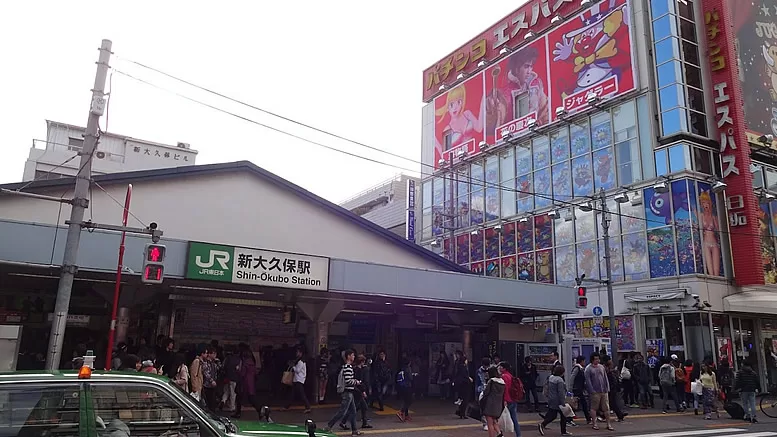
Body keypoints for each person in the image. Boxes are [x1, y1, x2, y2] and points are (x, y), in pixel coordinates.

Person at [324, 349, 361, 436]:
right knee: (342, 412)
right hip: (347, 392)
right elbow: (348, 381)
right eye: (352, 355)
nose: (354, 356)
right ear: (348, 356)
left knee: (353, 411)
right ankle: (328, 426)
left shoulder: (346, 367)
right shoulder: (348, 367)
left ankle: (354, 430)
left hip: (349, 392)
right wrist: (356, 382)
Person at [341, 355, 373, 429]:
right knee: (357, 407)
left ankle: (363, 422)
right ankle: (344, 422)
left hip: (356, 390)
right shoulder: (358, 370)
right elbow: (359, 382)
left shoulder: (356, 369)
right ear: (362, 362)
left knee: (360, 407)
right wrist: (363, 391)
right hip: (358, 391)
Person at [233, 347, 264, 420]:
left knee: (239, 398)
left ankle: (238, 413)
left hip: (244, 384)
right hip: (251, 383)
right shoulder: (252, 362)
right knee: (252, 399)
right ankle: (260, 410)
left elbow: (242, 374)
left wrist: (237, 370)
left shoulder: (245, 363)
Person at [538, 366, 570, 436]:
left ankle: (544, 424)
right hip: (558, 400)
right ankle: (543, 424)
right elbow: (560, 392)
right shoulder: (560, 380)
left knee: (553, 415)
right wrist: (563, 402)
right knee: (563, 415)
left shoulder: (551, 377)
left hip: (551, 399)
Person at [585, 353, 613, 431]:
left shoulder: (601, 367)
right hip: (595, 391)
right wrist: (592, 390)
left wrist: (607, 388)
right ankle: (594, 423)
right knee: (594, 408)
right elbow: (588, 381)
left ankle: (608, 424)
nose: (597, 360)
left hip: (604, 390)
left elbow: (605, 377)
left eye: (598, 359)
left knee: (606, 408)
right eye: (595, 359)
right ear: (592, 360)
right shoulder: (588, 369)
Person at [285, 347, 311, 413]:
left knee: (301, 395)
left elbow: (298, 370)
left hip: (299, 380)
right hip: (297, 380)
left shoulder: (300, 362)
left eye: (297, 352)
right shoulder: (300, 361)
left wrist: (293, 366)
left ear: (300, 353)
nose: (296, 353)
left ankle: (308, 407)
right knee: (292, 394)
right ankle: (287, 406)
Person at [481, 366, 505, 437]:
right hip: (498, 405)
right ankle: (500, 434)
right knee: (494, 421)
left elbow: (486, 392)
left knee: (490, 423)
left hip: (490, 405)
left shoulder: (491, 381)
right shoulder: (502, 382)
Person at [569, 356, 591, 424]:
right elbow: (572, 378)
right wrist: (571, 388)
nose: (584, 362)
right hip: (576, 389)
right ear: (581, 361)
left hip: (579, 389)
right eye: (584, 361)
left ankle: (588, 419)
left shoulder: (580, 369)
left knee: (578, 404)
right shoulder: (577, 368)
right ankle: (569, 419)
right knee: (576, 405)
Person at [605, 357, 626, 422]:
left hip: (611, 389)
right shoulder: (612, 372)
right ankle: (620, 414)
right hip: (612, 389)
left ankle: (619, 414)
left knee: (611, 403)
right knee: (611, 403)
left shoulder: (609, 372)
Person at [221, 347, 241, 413]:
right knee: (233, 393)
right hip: (234, 378)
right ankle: (232, 407)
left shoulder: (228, 358)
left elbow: (223, 366)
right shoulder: (239, 360)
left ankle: (223, 401)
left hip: (227, 378)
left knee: (226, 391)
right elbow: (239, 369)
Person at [453, 351, 472, 419]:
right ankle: (462, 413)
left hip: (460, 384)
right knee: (465, 399)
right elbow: (464, 376)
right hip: (464, 385)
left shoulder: (459, 366)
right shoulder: (463, 367)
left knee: (462, 399)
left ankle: (461, 412)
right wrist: (469, 378)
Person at [476, 357, 492, 431]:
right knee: (483, 407)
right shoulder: (478, 371)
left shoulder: (491, 370)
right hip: (481, 390)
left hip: (490, 390)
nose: (487, 367)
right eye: (485, 365)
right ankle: (485, 423)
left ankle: (490, 422)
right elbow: (477, 383)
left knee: (489, 407)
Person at [396, 358, 414, 422]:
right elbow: (410, 378)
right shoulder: (408, 368)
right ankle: (401, 412)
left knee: (405, 400)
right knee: (409, 400)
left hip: (402, 387)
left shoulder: (402, 368)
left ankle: (406, 415)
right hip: (407, 386)